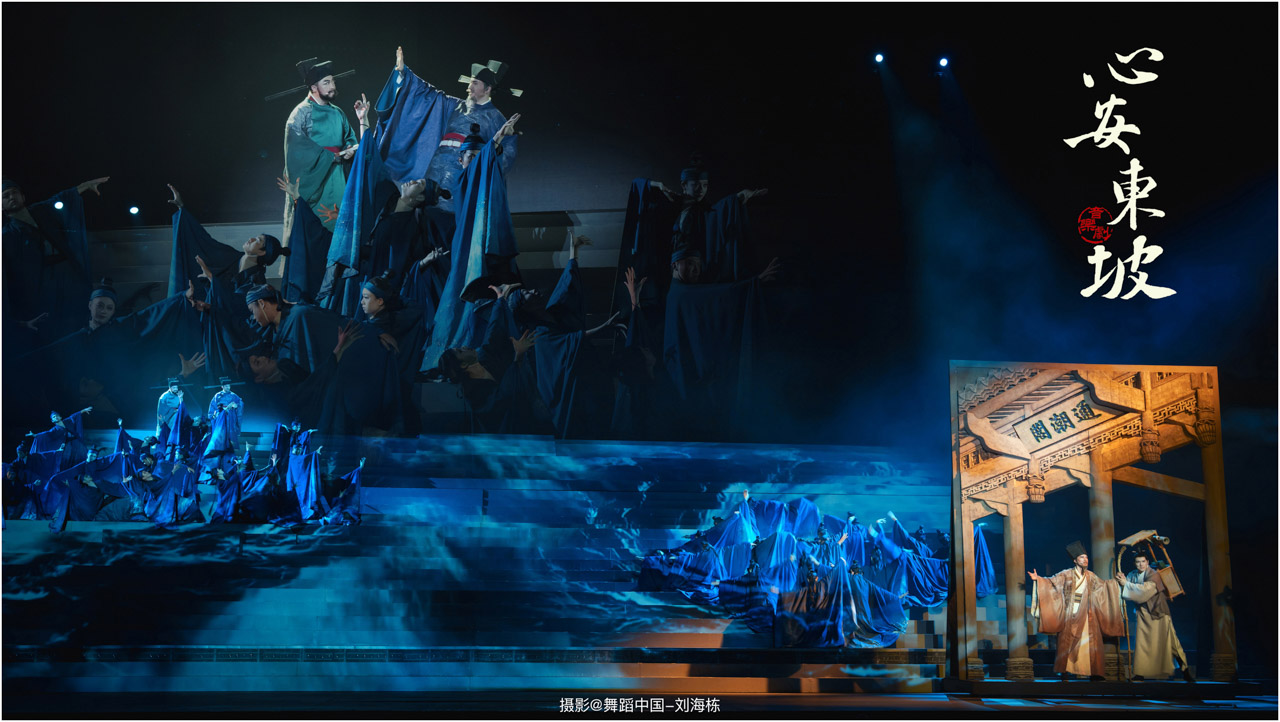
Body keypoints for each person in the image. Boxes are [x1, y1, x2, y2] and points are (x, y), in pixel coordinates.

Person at [2, 176, 109, 340]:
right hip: (42, 282)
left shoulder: (40, 210)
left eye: (14, 193)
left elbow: (61, 198)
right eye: (5, 196)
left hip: (65, 271)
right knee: (53, 321)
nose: (11, 197)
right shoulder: (7, 234)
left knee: (78, 311)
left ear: (23, 196)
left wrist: (85, 186)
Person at [283, 57, 362, 238]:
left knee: (339, 227)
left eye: (333, 81)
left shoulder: (337, 112)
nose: (332, 86)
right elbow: (296, 149)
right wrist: (328, 156)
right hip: (315, 182)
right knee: (315, 232)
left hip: (338, 177)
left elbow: (349, 137)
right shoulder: (301, 113)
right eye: (326, 83)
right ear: (314, 87)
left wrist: (349, 148)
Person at [1029, 541, 1125, 680]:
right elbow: (1051, 583)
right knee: (1067, 644)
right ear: (1075, 560)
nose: (1085, 560)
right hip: (1070, 613)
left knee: (1090, 644)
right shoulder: (1066, 574)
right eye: (1081, 557)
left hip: (1088, 615)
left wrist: (1116, 583)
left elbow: (1104, 588)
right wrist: (1038, 580)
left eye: (1086, 557)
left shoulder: (1091, 576)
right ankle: (1065, 672)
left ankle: (1094, 673)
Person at [1116, 551, 1194, 682]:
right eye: (1138, 562)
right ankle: (1140, 674)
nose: (1141, 564)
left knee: (1172, 642)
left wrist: (1126, 584)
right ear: (1134, 563)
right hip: (1143, 614)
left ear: (1147, 562)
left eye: (1143, 561)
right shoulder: (1132, 575)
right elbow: (1125, 587)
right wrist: (1121, 579)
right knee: (1142, 644)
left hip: (1158, 613)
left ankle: (1185, 671)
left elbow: (1144, 591)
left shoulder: (1154, 575)